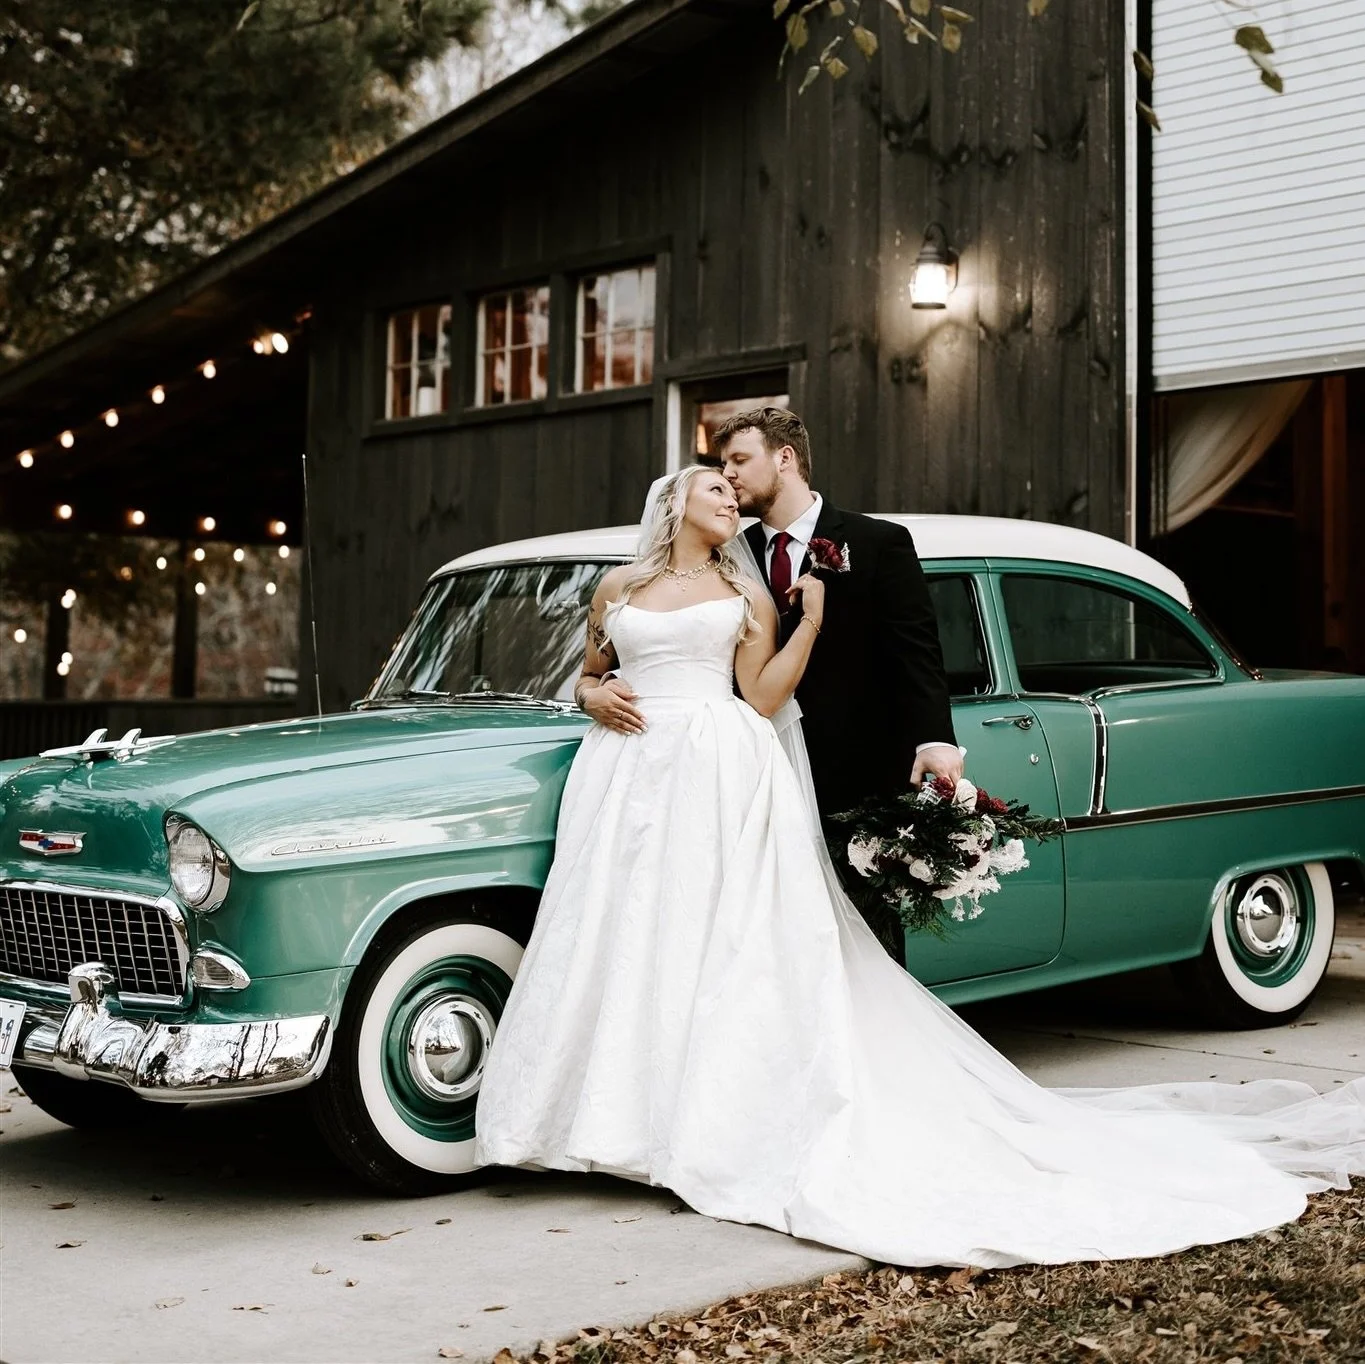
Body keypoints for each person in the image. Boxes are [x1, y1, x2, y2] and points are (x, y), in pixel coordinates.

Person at [474, 462, 1365, 1269]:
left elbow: (761, 694)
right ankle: (610, 1118)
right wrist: (590, 692)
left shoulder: (744, 590)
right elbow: (587, 672)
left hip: (714, 762)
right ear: (673, 503)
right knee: (626, 934)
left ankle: (692, 1119)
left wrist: (811, 619)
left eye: (732, 480)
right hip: (628, 775)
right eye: (714, 485)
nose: (729, 495)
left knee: (724, 938)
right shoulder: (619, 585)